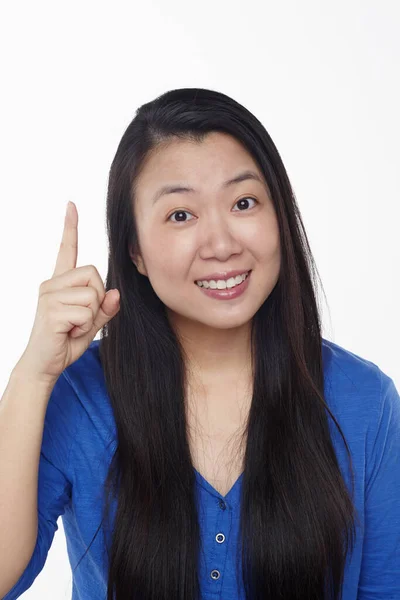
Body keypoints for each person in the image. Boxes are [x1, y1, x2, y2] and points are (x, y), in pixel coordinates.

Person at [1, 87, 399, 600]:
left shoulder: (365, 402)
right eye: (181, 215)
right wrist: (33, 375)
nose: (222, 244)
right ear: (134, 251)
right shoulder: (81, 398)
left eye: (244, 202)